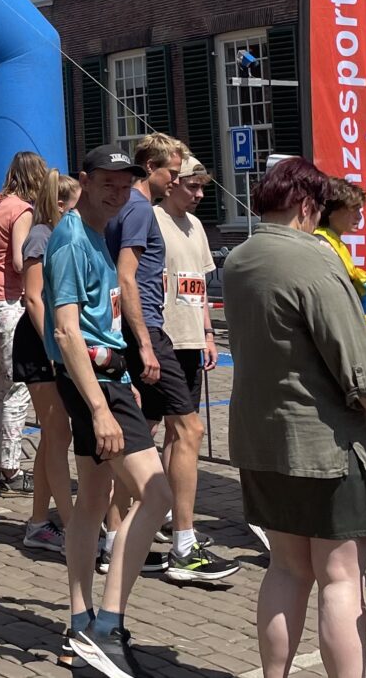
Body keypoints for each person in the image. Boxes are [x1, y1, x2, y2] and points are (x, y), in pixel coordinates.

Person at [223, 161, 366, 678]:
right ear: (307, 205)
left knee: (284, 568)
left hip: (261, 437)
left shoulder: (238, 259)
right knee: (340, 577)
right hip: (326, 442)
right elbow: (356, 364)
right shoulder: (315, 261)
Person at [48, 144, 173, 678]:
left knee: (94, 498)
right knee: (158, 494)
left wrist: (124, 372)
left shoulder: (101, 233)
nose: (118, 191)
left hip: (107, 376)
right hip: (93, 381)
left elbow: (102, 318)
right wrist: (101, 406)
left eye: (125, 184)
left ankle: (81, 618)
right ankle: (106, 625)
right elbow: (65, 330)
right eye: (107, 182)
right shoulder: (71, 238)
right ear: (85, 181)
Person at [105, 133, 201, 578]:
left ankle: (115, 538)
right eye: (172, 173)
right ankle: (184, 542)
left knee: (140, 434)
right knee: (188, 428)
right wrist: (144, 342)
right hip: (144, 329)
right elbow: (128, 277)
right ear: (150, 169)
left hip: (129, 327)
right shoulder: (141, 209)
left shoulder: (123, 208)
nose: (176, 180)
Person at [155, 156, 237, 585]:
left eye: (204, 187)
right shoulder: (152, 219)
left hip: (189, 337)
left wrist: (207, 333)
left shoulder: (195, 227)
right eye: (193, 186)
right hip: (160, 337)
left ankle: (170, 510)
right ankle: (138, 525)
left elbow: (200, 286)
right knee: (164, 429)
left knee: (178, 431)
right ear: (171, 184)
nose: (200, 194)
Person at [0, 151, 47, 493]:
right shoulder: (22, 210)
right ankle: (11, 466)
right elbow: (20, 261)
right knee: (17, 385)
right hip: (7, 301)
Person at [15, 172, 76, 554]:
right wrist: (52, 346)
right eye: (75, 204)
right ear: (59, 204)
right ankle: (71, 523)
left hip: (57, 339)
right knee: (57, 433)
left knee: (57, 434)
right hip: (40, 343)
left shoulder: (65, 234)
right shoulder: (40, 235)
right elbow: (33, 297)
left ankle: (39, 520)